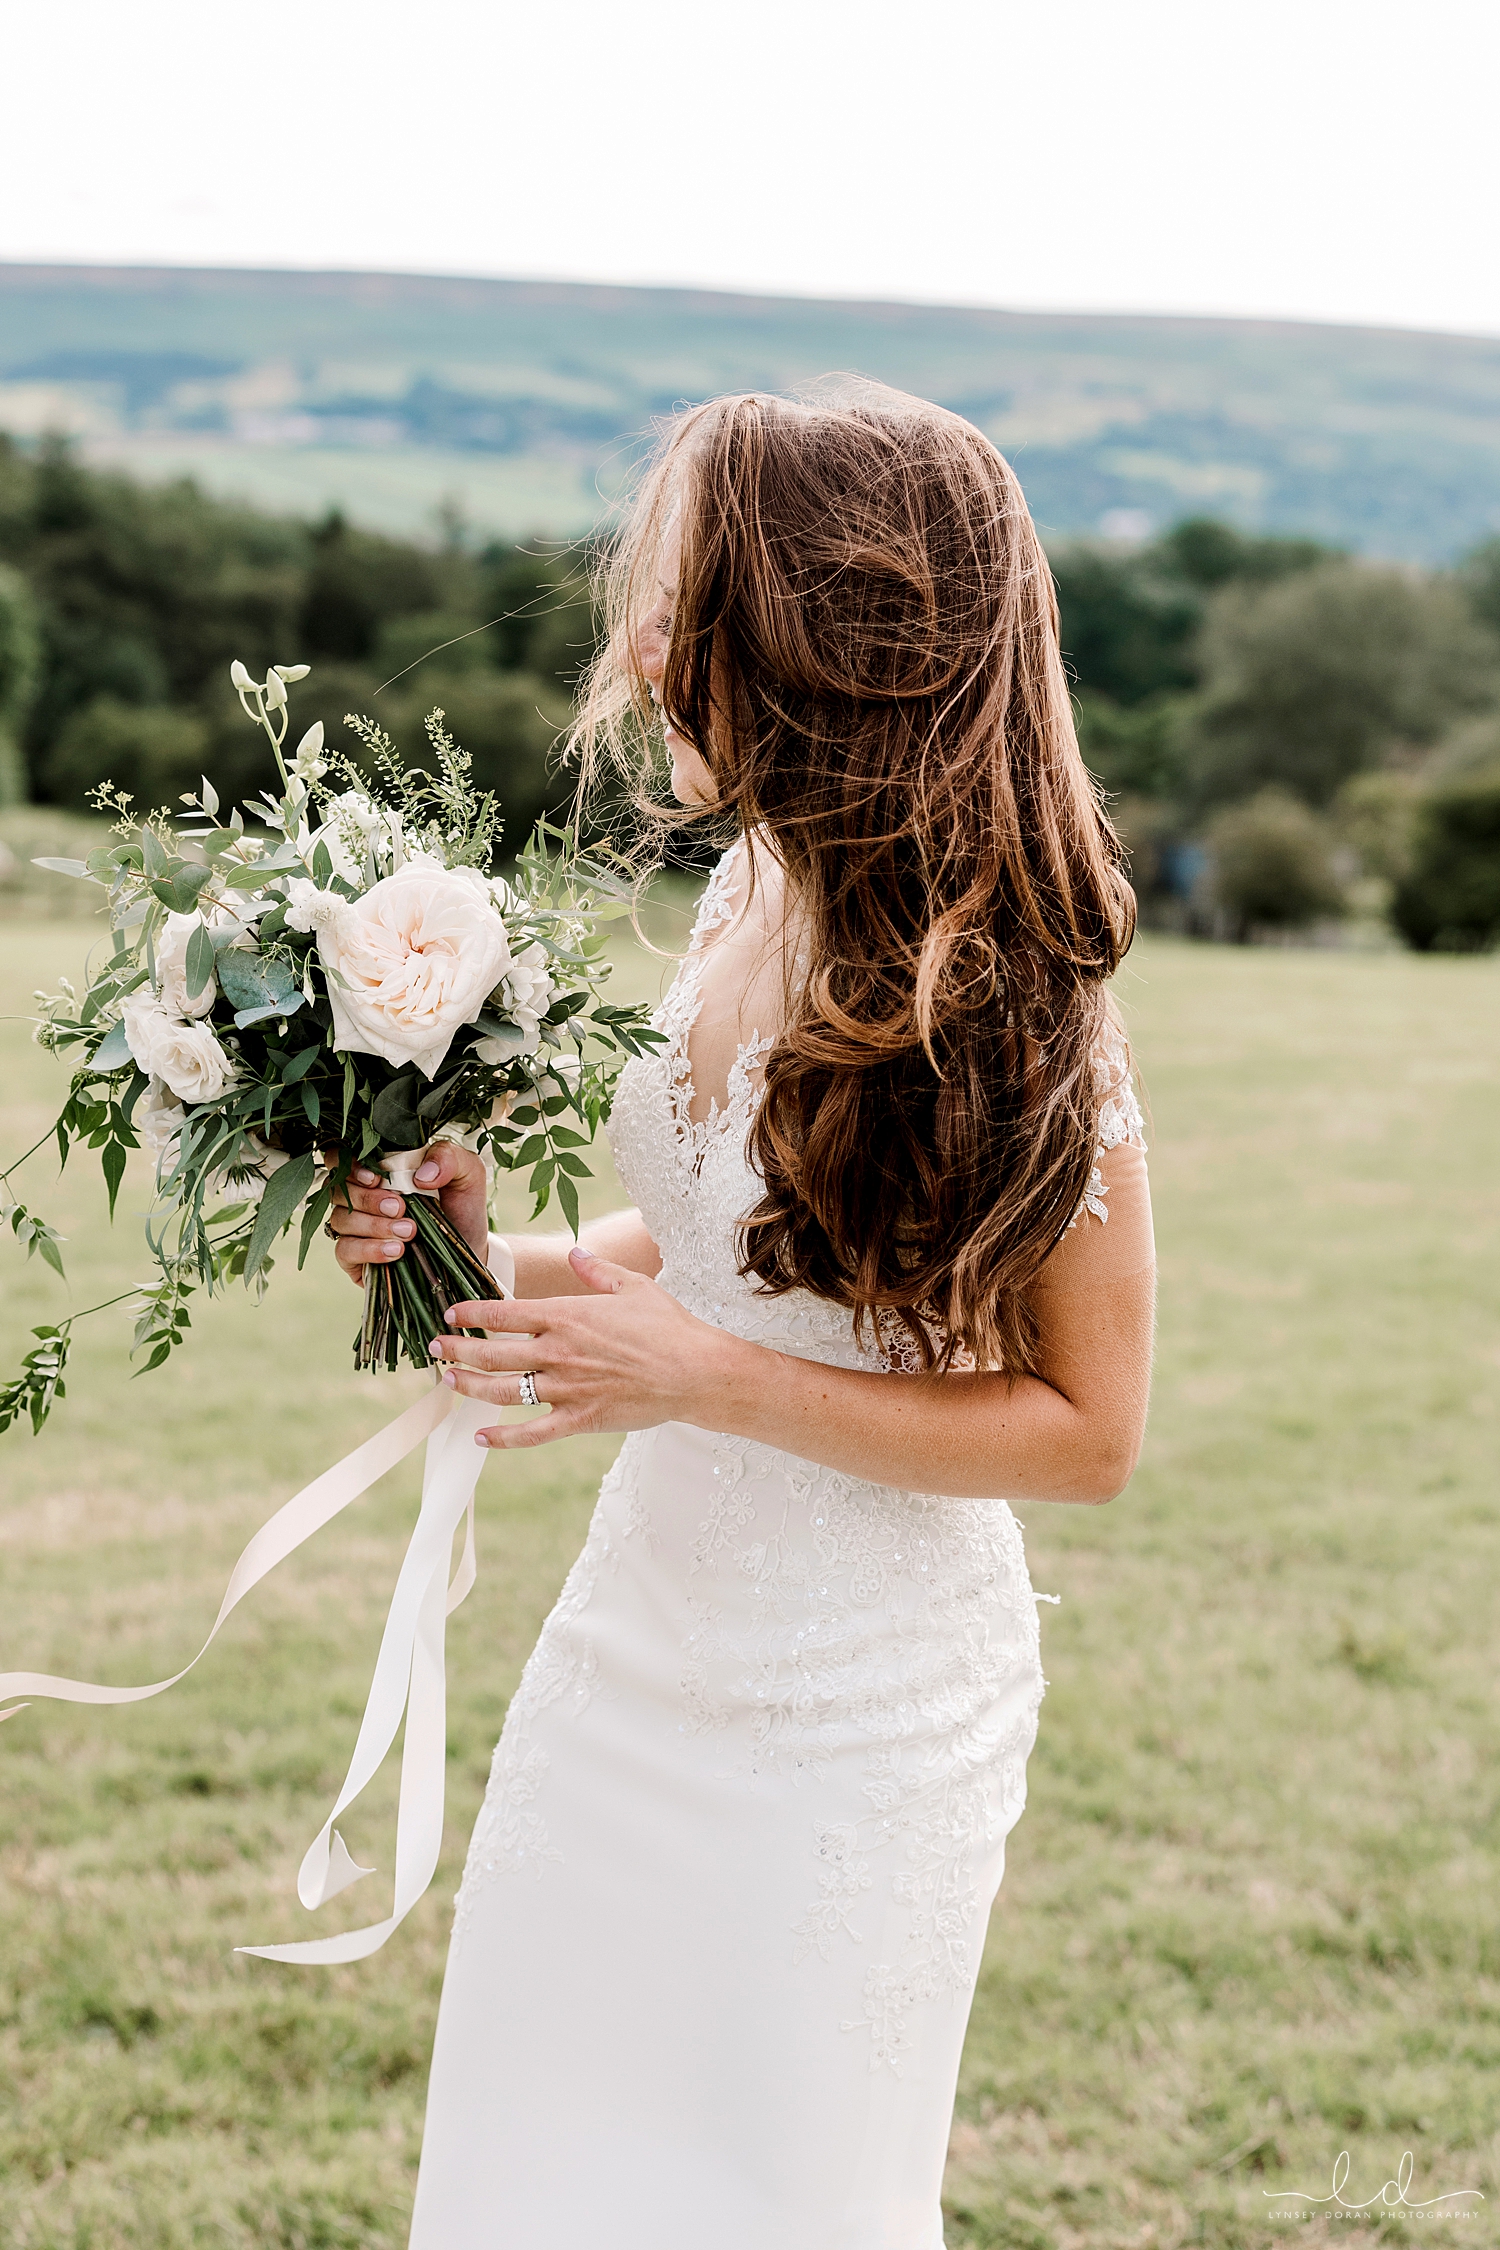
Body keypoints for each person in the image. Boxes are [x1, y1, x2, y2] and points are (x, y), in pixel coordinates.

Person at [328, 382, 1155, 2250]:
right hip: (632, 1658)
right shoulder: (764, 881)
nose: (637, 639)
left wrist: (699, 1376)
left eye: (682, 587)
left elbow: (1089, 1431)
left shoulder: (1013, 985)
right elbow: (742, 1240)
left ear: (807, 633)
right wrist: (495, 1250)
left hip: (859, 1716)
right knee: (536, 2175)